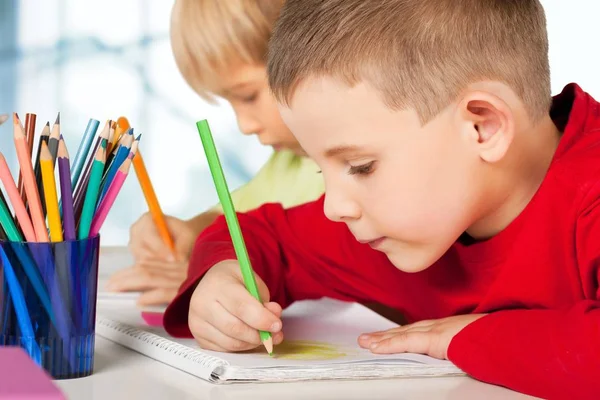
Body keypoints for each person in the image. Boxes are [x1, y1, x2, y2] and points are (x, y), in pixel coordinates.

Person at [162, 0, 600, 398]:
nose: (334, 206)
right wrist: (224, 280)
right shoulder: (386, 222)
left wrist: (464, 338)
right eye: (320, 169)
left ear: (481, 126)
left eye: (360, 166)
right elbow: (261, 235)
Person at [106, 0, 324, 306]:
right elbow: (236, 219)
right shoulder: (288, 163)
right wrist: (190, 231)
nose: (244, 125)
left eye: (248, 96)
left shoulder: (353, 169)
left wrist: (206, 276)